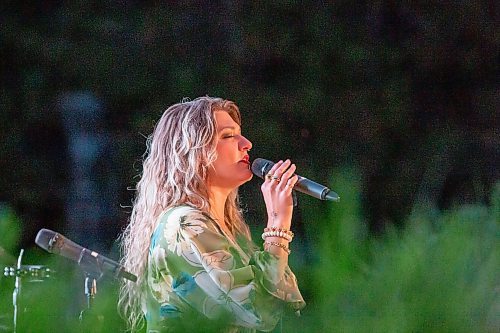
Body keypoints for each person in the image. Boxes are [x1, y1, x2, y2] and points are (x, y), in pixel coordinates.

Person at [119, 96, 305, 332]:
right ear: (192, 152)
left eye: (240, 134)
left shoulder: (221, 227)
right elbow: (260, 311)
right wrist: (278, 224)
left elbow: (283, 310)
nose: (246, 143)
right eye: (228, 136)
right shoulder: (184, 224)